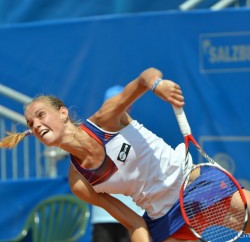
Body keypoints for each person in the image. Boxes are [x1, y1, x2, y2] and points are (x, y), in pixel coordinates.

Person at [1, 67, 250, 242]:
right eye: (31, 123)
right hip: (164, 218)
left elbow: (145, 76)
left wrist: (156, 85)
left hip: (193, 185)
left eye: (41, 115)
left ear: (63, 112)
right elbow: (133, 223)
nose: (36, 124)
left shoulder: (106, 120)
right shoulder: (79, 182)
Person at [91, 85, 144, 242]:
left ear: (130, 105)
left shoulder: (140, 135)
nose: (117, 108)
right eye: (112, 103)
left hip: (132, 214)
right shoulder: (93, 135)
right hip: (102, 215)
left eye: (122, 103)